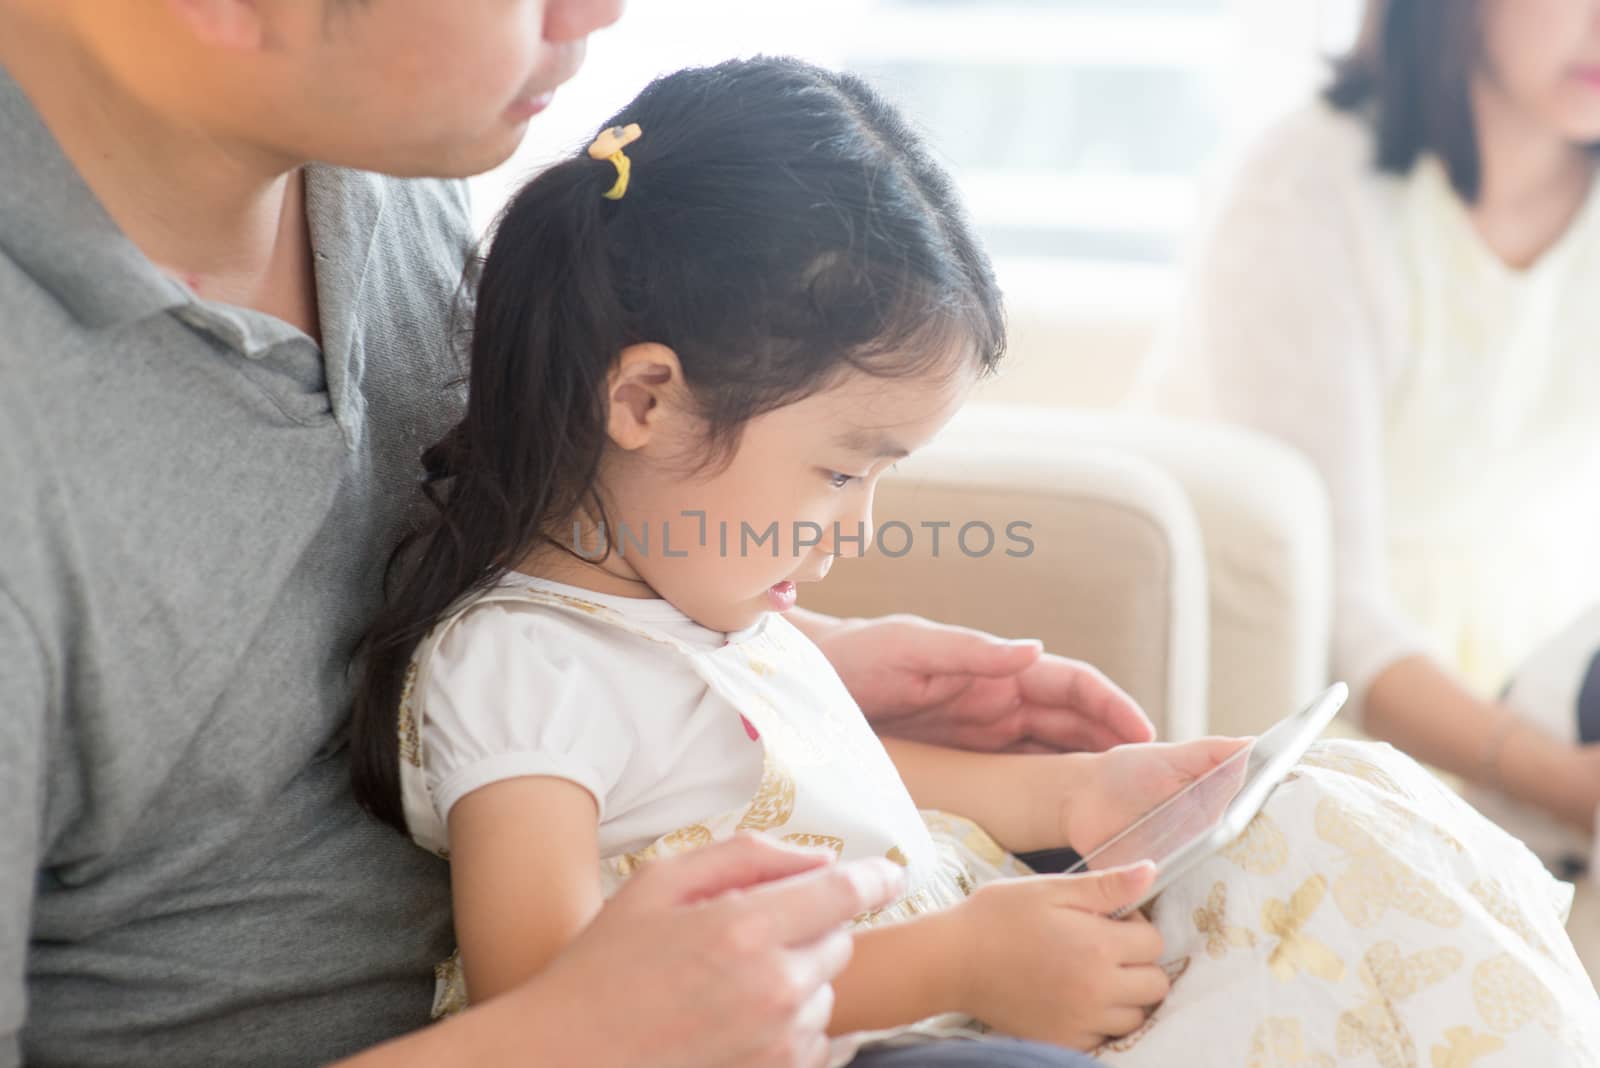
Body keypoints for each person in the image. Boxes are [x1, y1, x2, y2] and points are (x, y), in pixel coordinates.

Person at [0, 1, 1156, 1065]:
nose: (595, 11)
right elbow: (554, 973)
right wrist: (568, 1029)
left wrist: (765, 676)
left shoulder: (390, 169)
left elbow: (538, 553)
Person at [348, 55, 1249, 1064]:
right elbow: (554, 1003)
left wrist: (1072, 797)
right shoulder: (523, 667)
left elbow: (804, 777)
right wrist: (954, 966)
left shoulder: (694, 595)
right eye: (839, 471)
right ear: (644, 399)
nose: (859, 526)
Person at [1146, 0, 1600, 841]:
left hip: (1518, 674)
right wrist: (1559, 781)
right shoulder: (1309, 190)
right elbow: (1330, 605)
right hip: (1300, 692)